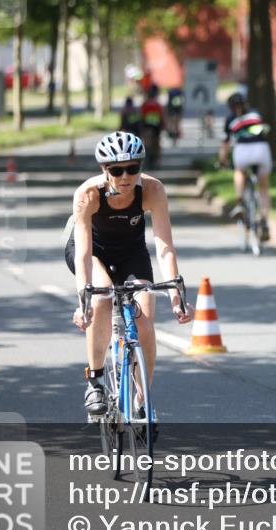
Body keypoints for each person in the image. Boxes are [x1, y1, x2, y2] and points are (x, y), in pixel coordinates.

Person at [66, 131, 193, 416]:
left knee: (145, 324)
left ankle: (141, 399)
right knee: (102, 298)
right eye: (117, 170)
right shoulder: (88, 194)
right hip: (92, 250)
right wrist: (83, 302)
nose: (125, 176)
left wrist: (176, 296)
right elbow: (84, 255)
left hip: (130, 250)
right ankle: (95, 381)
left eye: (133, 168)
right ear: (104, 170)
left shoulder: (153, 190)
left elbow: (165, 248)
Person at [219, 92, 272, 241]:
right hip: (262, 149)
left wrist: (222, 160)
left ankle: (240, 201)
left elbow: (225, 144)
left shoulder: (230, 119)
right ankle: (264, 220)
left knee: (239, 172)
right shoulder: (255, 113)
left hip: (243, 150)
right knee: (263, 187)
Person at [140, 85, 164, 168]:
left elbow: (142, 115)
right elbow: (161, 115)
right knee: (156, 142)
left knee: (147, 142)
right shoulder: (157, 105)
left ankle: (147, 158)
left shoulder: (145, 104)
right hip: (156, 125)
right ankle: (158, 160)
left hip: (147, 125)